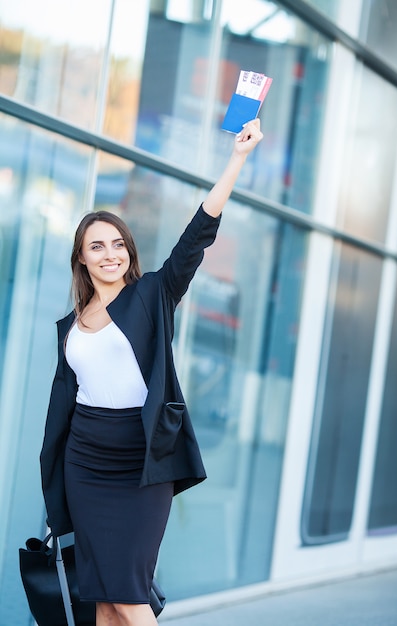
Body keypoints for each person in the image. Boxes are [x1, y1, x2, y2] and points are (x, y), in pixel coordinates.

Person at [40, 119, 263, 626]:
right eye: (97, 246)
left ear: (129, 252)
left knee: (129, 595)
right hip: (85, 462)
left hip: (141, 462)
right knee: (100, 595)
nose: (110, 254)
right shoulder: (69, 327)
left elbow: (197, 234)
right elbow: (67, 404)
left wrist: (237, 160)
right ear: (81, 258)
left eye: (118, 244)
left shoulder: (151, 296)